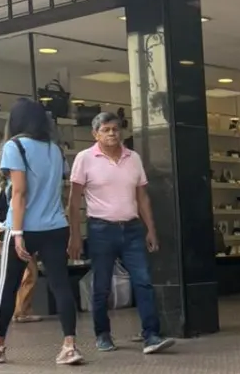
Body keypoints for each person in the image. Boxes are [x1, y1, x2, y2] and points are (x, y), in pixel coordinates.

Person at [0, 98, 83, 365]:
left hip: (24, 228)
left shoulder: (14, 147)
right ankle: (70, 346)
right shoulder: (55, 149)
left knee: (7, 286)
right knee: (61, 285)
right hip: (55, 226)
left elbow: (19, 191)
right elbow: (58, 188)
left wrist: (16, 233)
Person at [68, 112, 173, 355]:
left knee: (143, 281)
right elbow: (73, 201)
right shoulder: (84, 159)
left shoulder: (133, 158)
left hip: (133, 229)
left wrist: (151, 230)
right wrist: (74, 234)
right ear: (95, 134)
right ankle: (102, 334)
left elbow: (142, 197)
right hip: (100, 229)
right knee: (102, 285)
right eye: (106, 129)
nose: (112, 133)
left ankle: (151, 335)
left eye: (115, 129)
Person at [0, 177, 40, 323]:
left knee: (12, 273)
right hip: (15, 230)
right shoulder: (21, 183)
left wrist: (0, 224)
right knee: (30, 273)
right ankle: (21, 312)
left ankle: (13, 312)